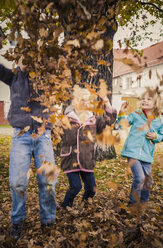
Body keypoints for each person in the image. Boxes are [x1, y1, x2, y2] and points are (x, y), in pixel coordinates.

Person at [0, 59, 57, 241]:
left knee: (48, 182)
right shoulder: (13, 77)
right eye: (23, 57)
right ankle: (17, 221)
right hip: (20, 136)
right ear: (16, 61)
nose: (28, 61)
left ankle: (48, 221)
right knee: (17, 182)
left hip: (43, 135)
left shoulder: (46, 78)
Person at [60, 85, 117, 208]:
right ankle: (65, 205)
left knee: (92, 189)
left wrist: (106, 101)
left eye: (88, 101)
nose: (85, 103)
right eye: (82, 100)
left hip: (87, 159)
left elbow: (109, 121)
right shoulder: (66, 118)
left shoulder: (93, 119)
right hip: (71, 158)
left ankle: (84, 205)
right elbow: (56, 132)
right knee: (76, 186)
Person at [118, 87, 163, 205]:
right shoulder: (136, 114)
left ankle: (144, 203)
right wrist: (122, 113)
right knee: (139, 178)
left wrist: (156, 136)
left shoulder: (159, 121)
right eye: (143, 99)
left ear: (156, 104)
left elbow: (162, 136)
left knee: (148, 181)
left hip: (147, 154)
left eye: (148, 99)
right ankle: (133, 204)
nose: (144, 101)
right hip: (132, 152)